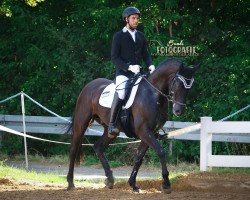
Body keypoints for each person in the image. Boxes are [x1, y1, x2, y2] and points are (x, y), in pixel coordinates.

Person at [108, 6, 155, 138]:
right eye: (133, 18)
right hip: (123, 74)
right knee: (122, 92)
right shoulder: (119, 36)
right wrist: (128, 67)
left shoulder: (141, 36)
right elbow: (114, 58)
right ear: (127, 20)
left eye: (137, 18)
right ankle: (112, 124)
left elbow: (146, 54)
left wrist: (150, 65)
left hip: (138, 74)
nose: (136, 21)